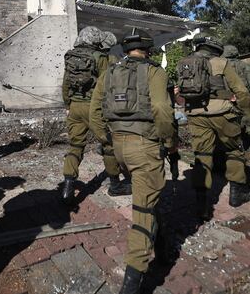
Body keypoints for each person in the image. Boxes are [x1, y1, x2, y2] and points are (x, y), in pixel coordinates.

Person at [90, 30, 176, 294]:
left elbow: (94, 113)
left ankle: (162, 250)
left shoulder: (109, 72)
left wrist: (109, 140)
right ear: (148, 50)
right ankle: (132, 280)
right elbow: (162, 109)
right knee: (143, 211)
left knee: (148, 195)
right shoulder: (155, 72)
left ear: (126, 50)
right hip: (145, 147)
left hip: (119, 147)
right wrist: (169, 142)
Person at [180, 36, 250, 219]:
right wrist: (248, 113)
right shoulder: (222, 63)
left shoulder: (185, 62)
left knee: (202, 155)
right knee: (234, 150)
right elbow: (241, 91)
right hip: (222, 113)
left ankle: (201, 204)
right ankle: (237, 195)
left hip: (196, 114)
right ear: (216, 49)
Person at [62, 26, 130, 203]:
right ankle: (115, 185)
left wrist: (68, 104)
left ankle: (68, 186)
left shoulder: (71, 56)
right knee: (108, 144)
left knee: (75, 145)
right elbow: (109, 84)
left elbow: (65, 85)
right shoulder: (100, 58)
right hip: (94, 108)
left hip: (75, 106)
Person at [222, 45, 250, 141]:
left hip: (228, 97)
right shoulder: (244, 65)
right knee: (249, 118)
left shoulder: (221, 66)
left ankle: (237, 143)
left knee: (232, 120)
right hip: (245, 96)